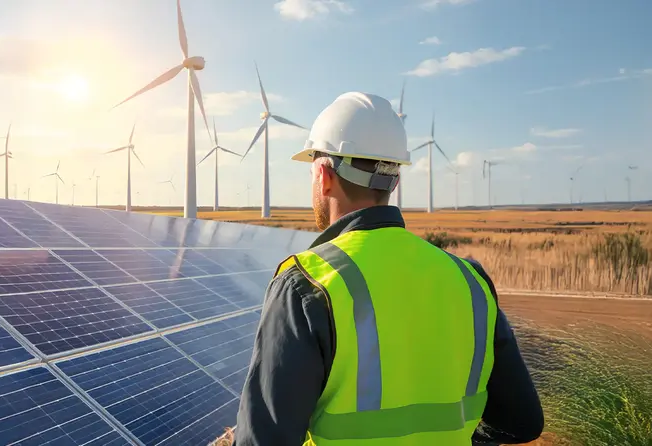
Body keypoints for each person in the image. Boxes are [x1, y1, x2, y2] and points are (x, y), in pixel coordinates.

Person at [231, 92, 544, 445]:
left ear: (323, 175)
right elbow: (522, 422)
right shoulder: (470, 279)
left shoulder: (309, 284)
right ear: (394, 179)